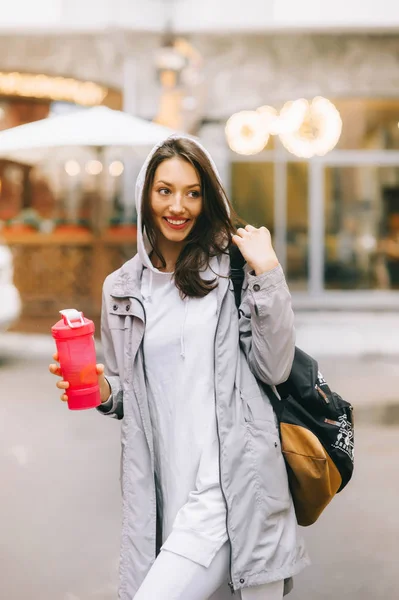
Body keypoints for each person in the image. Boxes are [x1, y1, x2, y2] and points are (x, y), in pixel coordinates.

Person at [50, 136, 309, 600]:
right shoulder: (122, 289)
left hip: (231, 496)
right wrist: (101, 388)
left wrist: (268, 273)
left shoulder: (232, 270)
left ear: (208, 198)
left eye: (192, 192)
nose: (178, 206)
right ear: (144, 195)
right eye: (164, 190)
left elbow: (275, 367)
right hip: (166, 498)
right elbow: (135, 392)